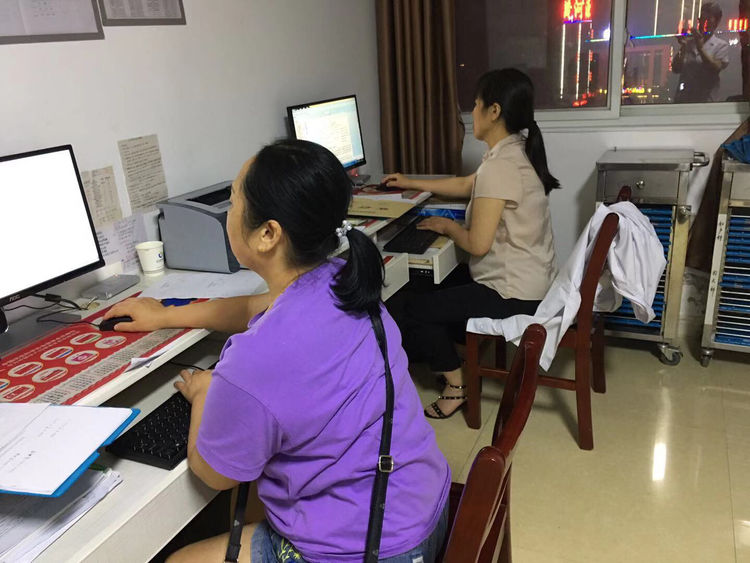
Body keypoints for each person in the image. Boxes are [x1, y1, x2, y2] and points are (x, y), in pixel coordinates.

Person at [105, 140, 450, 562]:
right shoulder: (342, 279)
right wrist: (165, 316)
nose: (229, 212)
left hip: (375, 550)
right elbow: (253, 307)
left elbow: (213, 475)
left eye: (233, 201)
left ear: (267, 234)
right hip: (422, 504)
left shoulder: (255, 359)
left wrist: (205, 394)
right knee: (258, 496)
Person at [382, 68, 559, 420]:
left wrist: (447, 226)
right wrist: (411, 182)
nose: (472, 112)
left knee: (414, 308)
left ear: (494, 111)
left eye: (476, 104)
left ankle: (456, 385)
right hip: (530, 279)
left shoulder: (501, 165)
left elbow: (477, 245)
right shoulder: (513, 151)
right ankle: (457, 355)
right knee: (432, 284)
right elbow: (468, 185)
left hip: (512, 291)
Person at [672, 2, 730, 103]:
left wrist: (700, 48)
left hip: (705, 103)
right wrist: (683, 46)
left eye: (708, 20)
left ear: (716, 23)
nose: (704, 24)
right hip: (683, 101)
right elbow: (676, 68)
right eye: (702, 19)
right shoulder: (689, 43)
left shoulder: (721, 45)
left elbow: (714, 68)